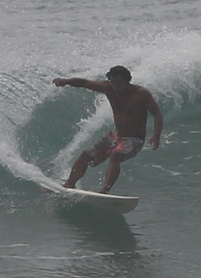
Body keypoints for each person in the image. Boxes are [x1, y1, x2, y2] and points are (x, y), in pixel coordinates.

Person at [52, 65, 164, 194]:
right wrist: (65, 81)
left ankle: (105, 191)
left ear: (127, 81)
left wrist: (156, 136)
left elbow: (157, 114)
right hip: (116, 135)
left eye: (119, 82)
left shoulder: (140, 94)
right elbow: (85, 83)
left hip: (135, 139)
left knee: (116, 154)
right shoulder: (108, 88)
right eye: (113, 82)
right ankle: (69, 185)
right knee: (85, 155)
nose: (115, 86)